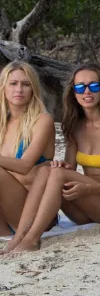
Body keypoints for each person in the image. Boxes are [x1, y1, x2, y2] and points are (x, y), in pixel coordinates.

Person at [4, 64, 100, 255]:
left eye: (94, 86)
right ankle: (19, 238)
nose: (87, 92)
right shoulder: (75, 126)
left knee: (55, 173)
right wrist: (56, 165)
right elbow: (68, 170)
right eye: (80, 87)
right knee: (47, 169)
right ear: (73, 93)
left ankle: (31, 239)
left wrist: (88, 188)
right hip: (84, 210)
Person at [0, 62, 56, 238]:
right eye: (13, 83)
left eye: (26, 84)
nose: (19, 89)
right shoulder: (2, 124)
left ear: (33, 89)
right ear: (3, 87)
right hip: (5, 218)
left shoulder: (42, 121)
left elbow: (25, 166)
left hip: (34, 215)